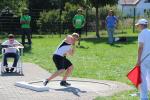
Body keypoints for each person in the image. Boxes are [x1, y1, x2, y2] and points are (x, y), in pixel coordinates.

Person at [135, 18, 150, 100]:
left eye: (138, 26)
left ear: (141, 25)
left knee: (143, 78)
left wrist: (138, 60)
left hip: (144, 60)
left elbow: (140, 47)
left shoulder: (141, 34)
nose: (138, 27)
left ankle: (144, 97)